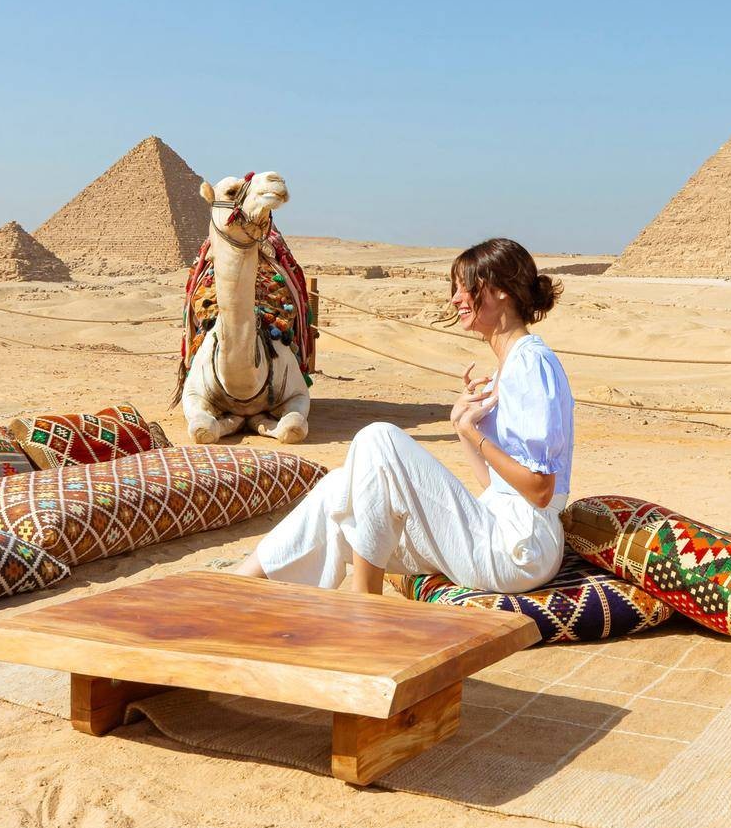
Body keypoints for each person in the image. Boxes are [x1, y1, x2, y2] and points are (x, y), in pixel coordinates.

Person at [233, 238, 573, 594]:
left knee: (378, 439)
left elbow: (538, 491)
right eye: (454, 287)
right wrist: (461, 425)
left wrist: (477, 435)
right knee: (338, 487)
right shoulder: (509, 365)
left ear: (501, 290)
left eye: (465, 286)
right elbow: (498, 486)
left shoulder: (531, 363)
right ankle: (242, 584)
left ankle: (365, 599)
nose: (456, 298)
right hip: (499, 525)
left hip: (519, 549)